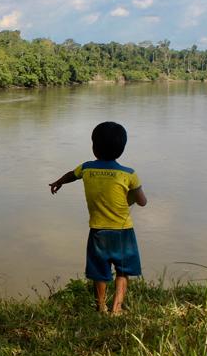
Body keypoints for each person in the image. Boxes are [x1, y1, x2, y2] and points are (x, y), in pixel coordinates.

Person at [49, 121, 147, 315]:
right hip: (123, 231)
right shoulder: (129, 174)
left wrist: (58, 182)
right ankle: (116, 309)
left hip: (97, 231)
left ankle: (101, 307)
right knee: (123, 271)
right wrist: (129, 198)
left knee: (99, 272)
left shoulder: (86, 169)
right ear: (122, 149)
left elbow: (71, 175)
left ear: (94, 147)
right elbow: (142, 201)